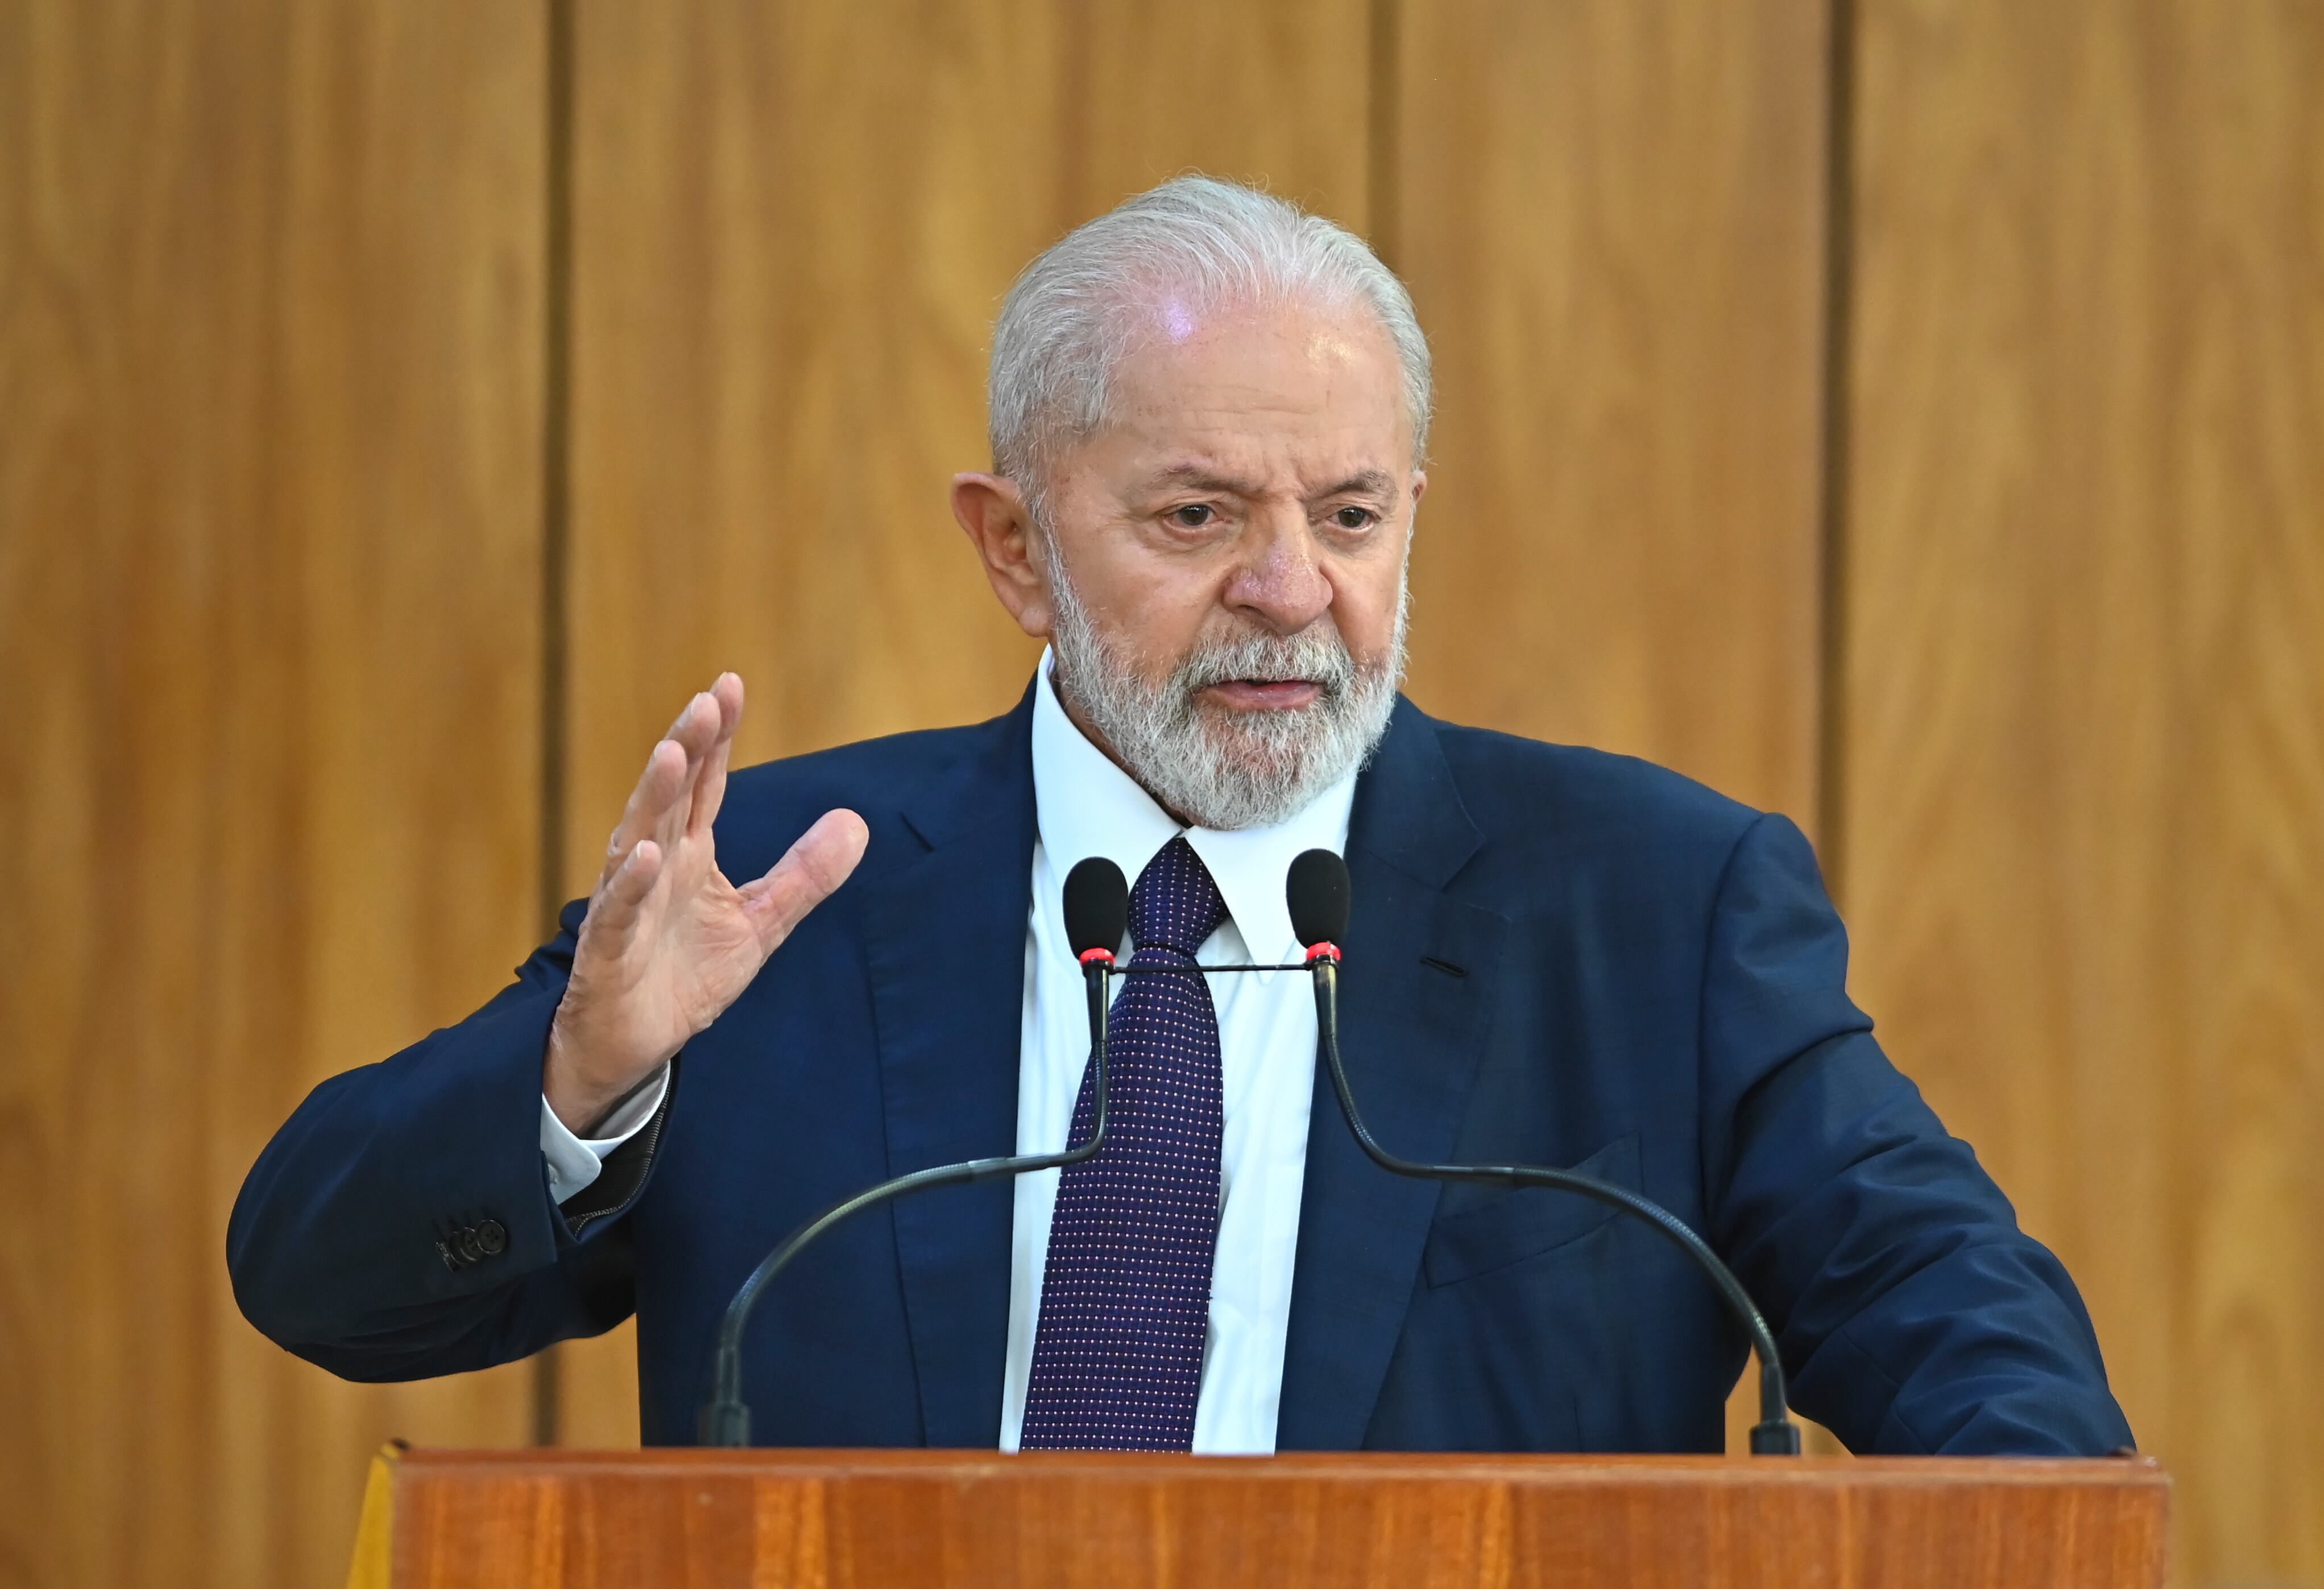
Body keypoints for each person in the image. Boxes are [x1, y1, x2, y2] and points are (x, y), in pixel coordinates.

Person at [229, 176, 2130, 1456]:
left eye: (1351, 515)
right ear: (1017, 548)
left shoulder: (1656, 906)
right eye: (1199, 514)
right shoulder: (782, 900)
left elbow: (1974, 1347)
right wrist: (583, 1086)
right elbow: (316, 1274)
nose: (1293, 590)